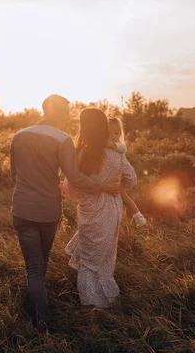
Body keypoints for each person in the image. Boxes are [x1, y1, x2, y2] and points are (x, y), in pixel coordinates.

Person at [10, 94, 120, 329]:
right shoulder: (62, 139)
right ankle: (42, 321)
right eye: (67, 113)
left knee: (33, 267)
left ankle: (34, 306)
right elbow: (75, 177)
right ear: (57, 112)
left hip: (21, 208)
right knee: (40, 264)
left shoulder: (18, 136)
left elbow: (13, 174)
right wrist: (103, 186)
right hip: (48, 211)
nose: (69, 117)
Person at [63, 108, 137, 308]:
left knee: (88, 261)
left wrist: (86, 195)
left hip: (89, 209)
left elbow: (70, 189)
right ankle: (106, 300)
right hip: (111, 209)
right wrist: (116, 185)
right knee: (105, 257)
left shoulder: (79, 154)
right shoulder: (116, 155)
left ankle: (89, 306)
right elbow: (131, 179)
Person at [108, 117, 147, 227]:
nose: (112, 136)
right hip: (111, 177)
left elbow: (123, 148)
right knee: (123, 198)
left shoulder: (118, 145)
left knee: (124, 197)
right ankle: (138, 217)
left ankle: (138, 216)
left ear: (119, 134)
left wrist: (112, 145)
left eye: (116, 133)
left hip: (117, 177)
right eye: (108, 133)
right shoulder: (103, 144)